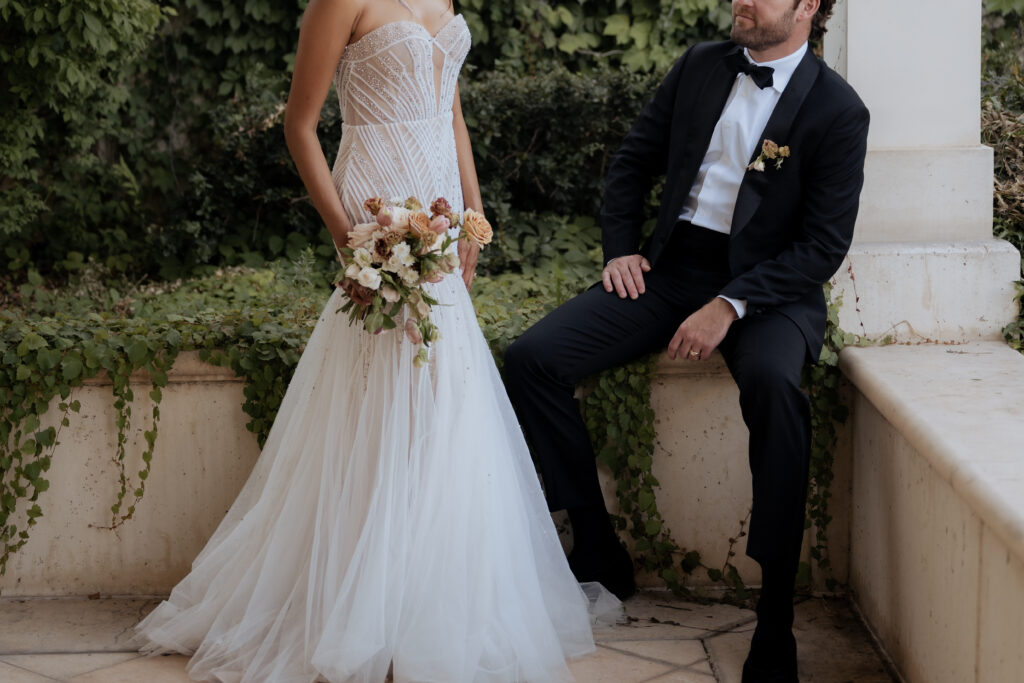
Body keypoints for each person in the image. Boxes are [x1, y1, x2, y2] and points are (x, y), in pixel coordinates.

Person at [133, 1, 599, 680]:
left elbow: (450, 107)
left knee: (444, 405)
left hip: (440, 212)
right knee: (380, 398)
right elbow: (300, 125)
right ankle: (360, 603)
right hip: (378, 206)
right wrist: (350, 234)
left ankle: (432, 598)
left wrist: (472, 210)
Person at [504, 0, 868, 680]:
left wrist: (729, 305)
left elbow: (822, 245)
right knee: (533, 360)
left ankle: (776, 616)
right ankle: (597, 544)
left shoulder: (838, 111)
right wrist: (620, 250)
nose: (740, 0)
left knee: (775, 390)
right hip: (670, 270)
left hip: (768, 290)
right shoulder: (701, 65)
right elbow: (632, 162)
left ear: (806, 8)